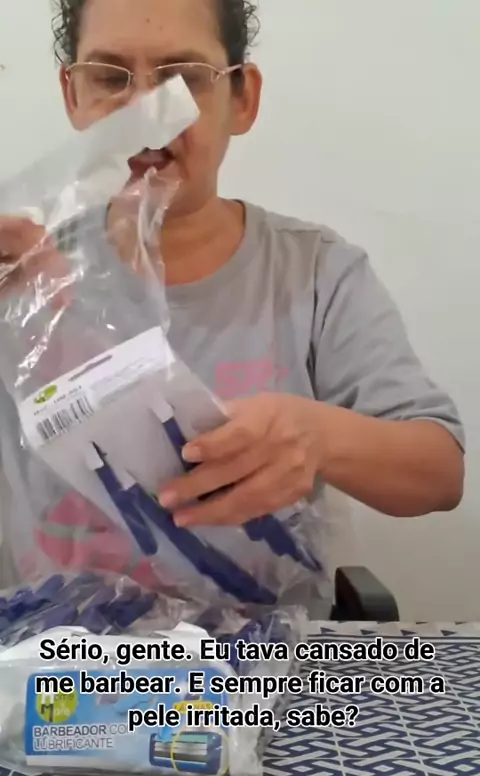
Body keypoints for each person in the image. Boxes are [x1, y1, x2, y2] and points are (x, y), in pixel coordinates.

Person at [0, 0, 465, 562]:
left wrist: (318, 437)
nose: (145, 109)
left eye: (183, 77)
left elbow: (440, 474)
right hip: (54, 620)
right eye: (109, 77)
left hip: (263, 620)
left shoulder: (316, 273)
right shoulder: (17, 276)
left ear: (242, 99)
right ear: (73, 95)